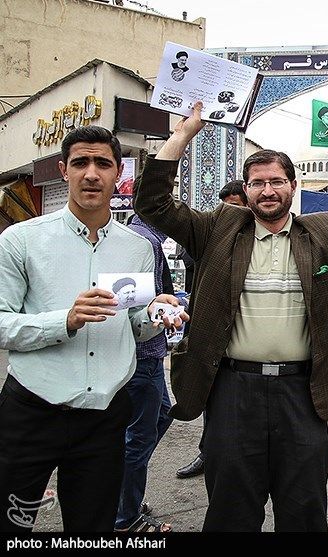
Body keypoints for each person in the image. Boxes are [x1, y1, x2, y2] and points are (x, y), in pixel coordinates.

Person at [134, 101, 328, 532]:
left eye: (276, 182)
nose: (267, 191)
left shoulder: (320, 231)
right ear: (246, 190)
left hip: (302, 393)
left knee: (304, 509)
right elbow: (153, 204)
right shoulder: (219, 229)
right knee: (232, 509)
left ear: (292, 185)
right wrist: (181, 137)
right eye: (257, 183)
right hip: (232, 390)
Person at [0, 125, 186, 532]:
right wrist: (64, 320)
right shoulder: (21, 240)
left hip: (105, 415)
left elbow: (132, 325)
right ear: (63, 169)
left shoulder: (136, 247)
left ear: (118, 172)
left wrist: (158, 314)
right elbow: (2, 323)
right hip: (32, 410)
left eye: (103, 163)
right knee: (12, 524)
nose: (91, 173)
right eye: (81, 162)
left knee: (92, 528)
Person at [175, 178, 248, 479]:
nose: (229, 211)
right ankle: (209, 452)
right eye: (225, 205)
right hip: (209, 329)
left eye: (236, 205)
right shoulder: (209, 232)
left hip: (247, 339)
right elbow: (187, 255)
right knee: (211, 396)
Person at [115, 215, 177, 532]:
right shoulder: (146, 241)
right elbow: (142, 306)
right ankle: (125, 518)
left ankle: (124, 493)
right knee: (137, 440)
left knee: (162, 415)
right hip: (142, 357)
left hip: (141, 355)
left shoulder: (131, 233)